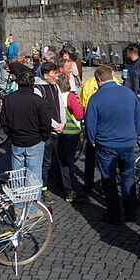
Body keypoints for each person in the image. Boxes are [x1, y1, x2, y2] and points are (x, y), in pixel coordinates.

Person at [86, 65, 140, 224]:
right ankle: (131, 211)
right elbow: (139, 117)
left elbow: (90, 124)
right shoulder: (128, 93)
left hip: (106, 145)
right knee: (128, 176)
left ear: (98, 79)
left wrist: (92, 141)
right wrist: (134, 134)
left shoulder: (96, 98)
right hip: (127, 143)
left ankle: (114, 213)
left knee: (108, 179)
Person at [1, 71, 52, 191]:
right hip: (35, 140)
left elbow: (4, 122)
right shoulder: (38, 100)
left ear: (18, 83)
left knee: (16, 176)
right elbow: (46, 122)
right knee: (34, 177)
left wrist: (12, 135)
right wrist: (43, 137)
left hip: (17, 140)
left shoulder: (9, 99)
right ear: (33, 84)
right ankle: (33, 207)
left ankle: (18, 205)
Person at [34, 62, 65, 202]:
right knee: (45, 161)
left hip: (58, 128)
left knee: (58, 159)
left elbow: (61, 106)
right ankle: (44, 188)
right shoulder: (38, 89)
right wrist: (54, 124)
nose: (57, 77)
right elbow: (42, 112)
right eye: (54, 74)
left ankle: (61, 184)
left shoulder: (55, 87)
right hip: (47, 130)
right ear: (46, 76)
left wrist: (62, 122)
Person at [57, 71, 85, 203]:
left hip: (58, 132)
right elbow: (79, 115)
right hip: (71, 132)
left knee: (61, 161)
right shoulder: (70, 97)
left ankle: (63, 184)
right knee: (69, 162)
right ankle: (71, 188)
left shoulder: (55, 96)